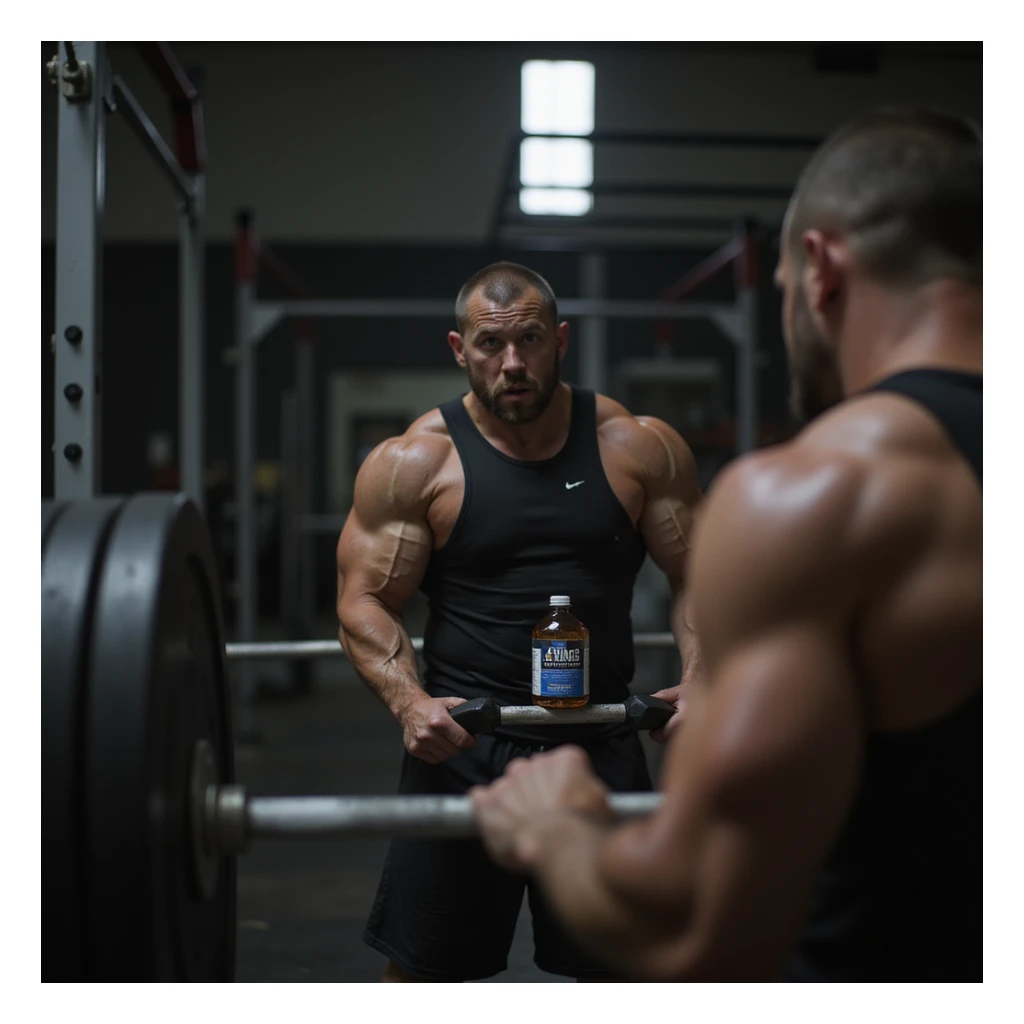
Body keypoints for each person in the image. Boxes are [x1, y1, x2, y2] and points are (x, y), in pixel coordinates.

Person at [471, 107, 982, 982]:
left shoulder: (827, 495)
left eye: (780, 287)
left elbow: (698, 929)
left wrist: (558, 828)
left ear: (820, 273)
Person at [334, 261, 704, 981]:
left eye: (530, 340)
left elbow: (702, 575)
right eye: (489, 345)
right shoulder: (415, 461)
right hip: (465, 746)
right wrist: (409, 703)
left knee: (631, 971)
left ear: (560, 339)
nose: (512, 363)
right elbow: (363, 599)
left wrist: (704, 677)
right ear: (457, 348)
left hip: (601, 737)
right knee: (427, 977)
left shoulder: (636, 446)